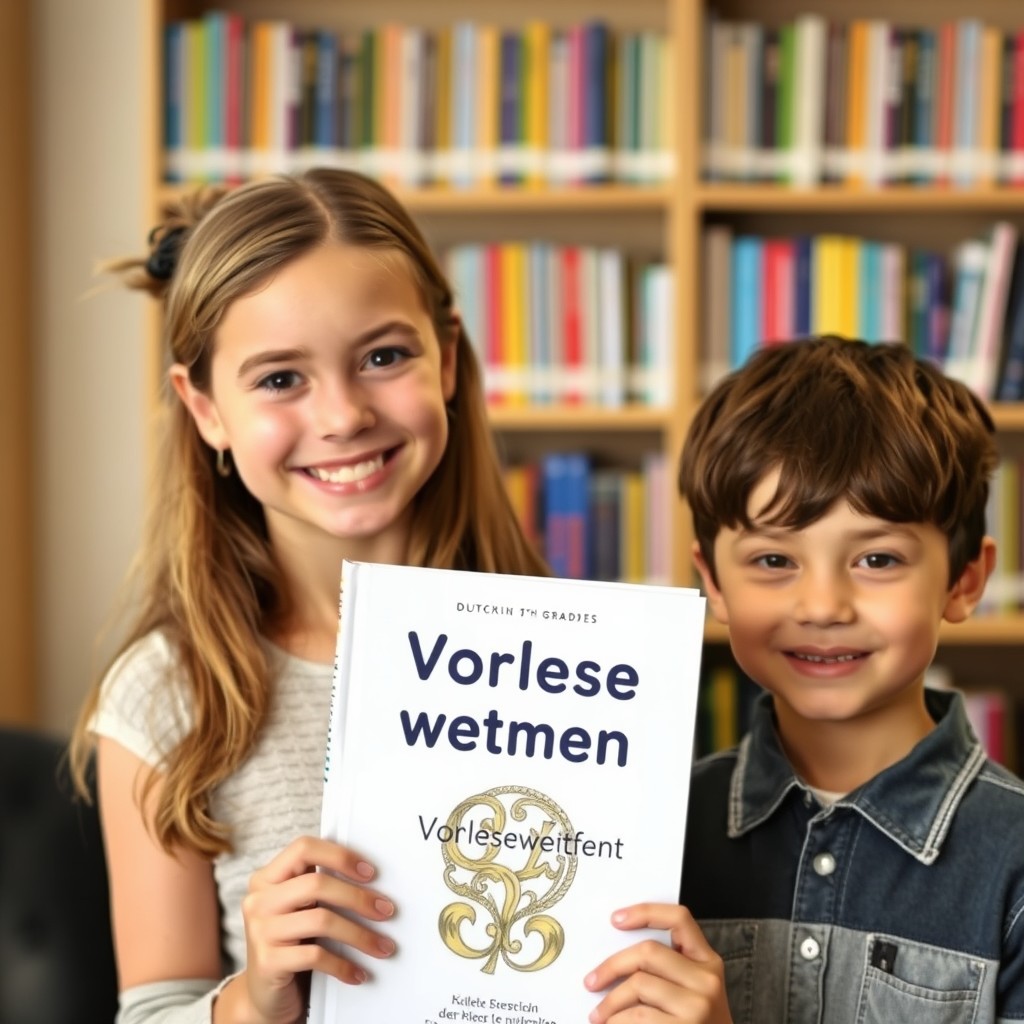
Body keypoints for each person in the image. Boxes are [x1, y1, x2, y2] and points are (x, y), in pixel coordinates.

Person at [69, 168, 720, 1024]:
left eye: (383, 357)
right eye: (278, 379)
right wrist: (255, 999)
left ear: (446, 358)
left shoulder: (586, 660)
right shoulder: (170, 694)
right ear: (204, 409)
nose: (341, 416)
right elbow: (155, 1009)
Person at [676, 335, 1024, 1022]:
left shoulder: (1013, 864)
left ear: (964, 580)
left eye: (877, 560)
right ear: (712, 581)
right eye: (774, 561)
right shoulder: (657, 829)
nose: (824, 607)